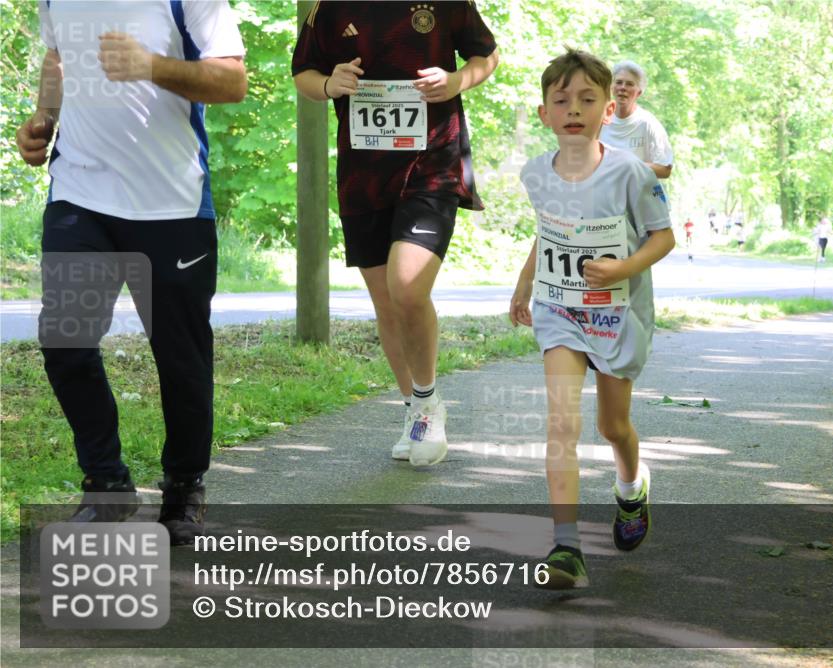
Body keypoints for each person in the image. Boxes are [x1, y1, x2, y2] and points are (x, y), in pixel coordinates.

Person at [14, 1, 247, 544]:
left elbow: (232, 82)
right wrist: (44, 118)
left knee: (180, 354)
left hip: (172, 202)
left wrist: (152, 66)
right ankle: (107, 484)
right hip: (80, 192)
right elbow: (58, 57)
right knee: (64, 339)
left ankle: (184, 485)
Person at [292, 2, 498, 466]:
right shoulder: (329, 7)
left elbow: (487, 54)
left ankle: (426, 404)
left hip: (432, 167)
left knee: (407, 286)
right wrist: (328, 85)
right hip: (363, 177)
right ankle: (414, 409)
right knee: (387, 300)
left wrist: (456, 80)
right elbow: (303, 72)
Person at [509, 49, 674, 589]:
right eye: (562, 101)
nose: (573, 109)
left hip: (616, 312)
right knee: (562, 423)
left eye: (587, 99)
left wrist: (623, 267)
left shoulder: (630, 172)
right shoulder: (537, 172)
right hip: (559, 311)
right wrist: (525, 283)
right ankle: (566, 548)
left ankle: (631, 488)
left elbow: (663, 236)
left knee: (611, 426)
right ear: (544, 113)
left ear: (608, 109)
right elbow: (551, 230)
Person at [601, 61, 673, 180]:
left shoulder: (648, 123)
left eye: (629, 84)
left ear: (639, 92)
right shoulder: (599, 121)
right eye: (619, 82)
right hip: (605, 195)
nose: (623, 88)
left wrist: (628, 167)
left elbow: (665, 169)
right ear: (612, 87)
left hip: (638, 195)